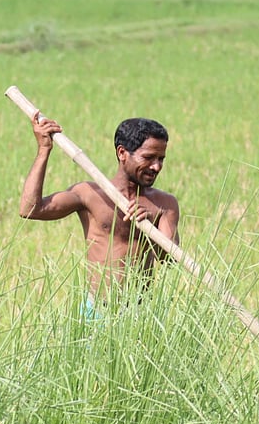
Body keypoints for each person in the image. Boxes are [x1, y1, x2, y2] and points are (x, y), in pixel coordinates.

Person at [20, 112, 180, 317]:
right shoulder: (89, 194)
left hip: (141, 314)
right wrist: (43, 150)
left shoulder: (164, 204)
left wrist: (150, 225)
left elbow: (170, 259)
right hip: (96, 310)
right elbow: (30, 209)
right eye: (148, 158)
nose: (156, 166)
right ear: (122, 153)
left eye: (161, 159)